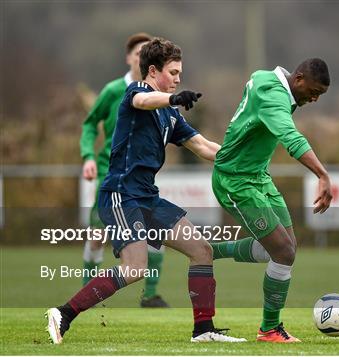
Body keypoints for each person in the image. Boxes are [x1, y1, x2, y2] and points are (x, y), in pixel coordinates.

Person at [46, 37, 246, 344]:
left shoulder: (171, 114)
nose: (179, 78)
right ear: (152, 71)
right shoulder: (136, 92)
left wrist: (243, 159)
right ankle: (64, 313)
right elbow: (145, 102)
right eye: (173, 72)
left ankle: (203, 330)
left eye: (180, 73)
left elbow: (204, 147)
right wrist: (173, 98)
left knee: (201, 251)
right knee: (136, 267)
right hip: (120, 194)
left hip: (147, 197)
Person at [210, 59, 333, 342]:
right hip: (236, 181)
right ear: (298, 78)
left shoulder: (266, 79)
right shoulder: (274, 96)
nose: (313, 99)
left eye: (320, 96)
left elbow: (256, 87)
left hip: (259, 178)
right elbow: (290, 138)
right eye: (313, 92)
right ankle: (269, 328)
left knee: (283, 250)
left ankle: (212, 250)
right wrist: (322, 175)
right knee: (284, 252)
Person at [79, 32, 169, 308]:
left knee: (157, 233)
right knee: (97, 238)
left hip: (140, 180)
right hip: (111, 175)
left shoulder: (159, 95)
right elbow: (90, 124)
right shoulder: (114, 90)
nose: (142, 57)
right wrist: (88, 157)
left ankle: (150, 295)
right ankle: (87, 294)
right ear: (129, 58)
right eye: (138, 52)